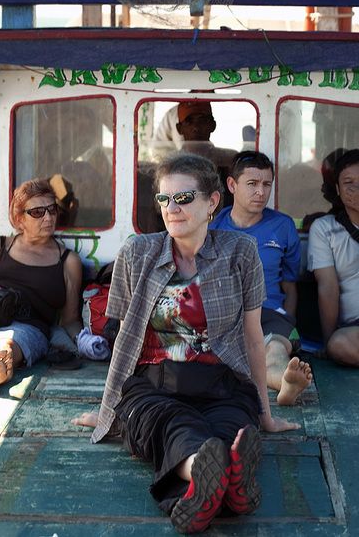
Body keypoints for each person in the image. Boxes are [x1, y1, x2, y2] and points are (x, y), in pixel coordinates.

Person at [72, 153, 299, 534]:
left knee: (233, 428)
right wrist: (108, 409)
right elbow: (125, 340)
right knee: (169, 425)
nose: (171, 209)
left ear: (212, 202)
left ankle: (210, 476)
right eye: (164, 199)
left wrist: (265, 413)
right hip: (155, 385)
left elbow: (253, 337)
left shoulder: (240, 252)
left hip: (223, 384)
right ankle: (216, 476)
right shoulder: (137, 253)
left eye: (183, 198)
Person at [210, 151, 312, 406]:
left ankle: (286, 383)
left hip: (269, 312)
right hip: (225, 315)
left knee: (275, 351)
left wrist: (288, 320)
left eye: (267, 184)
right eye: (252, 184)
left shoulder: (283, 226)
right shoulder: (212, 227)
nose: (261, 192)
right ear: (232, 185)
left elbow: (289, 285)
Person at [0, 179, 82, 385]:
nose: (48, 217)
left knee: (5, 351)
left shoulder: (68, 261)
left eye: (52, 210)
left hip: (28, 330)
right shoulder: (2, 247)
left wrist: (86, 341)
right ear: (19, 219)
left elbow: (69, 319)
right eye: (37, 212)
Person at [307, 149, 359, 366]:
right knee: (339, 344)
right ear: (337, 188)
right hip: (354, 330)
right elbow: (328, 287)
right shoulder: (324, 229)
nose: (357, 188)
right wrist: (328, 343)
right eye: (349, 182)